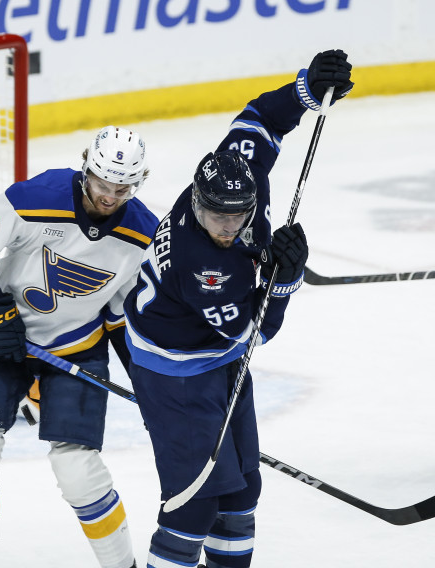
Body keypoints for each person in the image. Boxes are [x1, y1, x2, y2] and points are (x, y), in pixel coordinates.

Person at [123, 50, 354, 568]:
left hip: (213, 356)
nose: (227, 227)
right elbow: (253, 335)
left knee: (242, 495)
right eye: (215, 216)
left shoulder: (233, 172)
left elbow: (259, 119)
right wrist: (284, 281)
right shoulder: (204, 267)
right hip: (177, 375)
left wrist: (306, 90)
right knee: (193, 508)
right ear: (196, 201)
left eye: (237, 216)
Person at [0, 126, 160, 568]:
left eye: (122, 188)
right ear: (86, 168)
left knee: (79, 473)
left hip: (76, 348)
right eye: (102, 183)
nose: (109, 197)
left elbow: (123, 321)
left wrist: (151, 387)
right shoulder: (34, 198)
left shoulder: (143, 236)